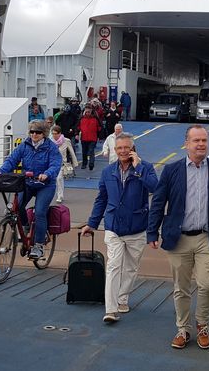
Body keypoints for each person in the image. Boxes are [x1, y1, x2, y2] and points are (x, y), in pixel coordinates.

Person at [148, 125, 209, 350]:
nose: (201, 144)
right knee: (181, 287)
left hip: (205, 238)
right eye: (196, 140)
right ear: (186, 144)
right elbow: (158, 202)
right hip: (178, 238)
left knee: (207, 284)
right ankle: (183, 328)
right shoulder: (171, 171)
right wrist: (152, 231)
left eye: (204, 140)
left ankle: (202, 324)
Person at [82, 132, 158, 323]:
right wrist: (92, 223)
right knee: (113, 266)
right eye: (119, 148)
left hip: (137, 226)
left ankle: (122, 298)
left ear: (133, 149)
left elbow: (155, 188)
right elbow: (101, 199)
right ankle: (110, 309)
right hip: (113, 225)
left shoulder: (146, 168)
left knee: (131, 267)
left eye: (126, 147)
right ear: (114, 150)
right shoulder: (108, 171)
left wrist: (138, 168)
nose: (123, 151)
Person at [0, 120, 62, 259]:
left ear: (44, 134)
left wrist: (47, 174)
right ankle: (25, 226)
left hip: (45, 184)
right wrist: (1, 171)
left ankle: (39, 245)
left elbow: (55, 164)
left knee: (40, 212)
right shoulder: (25, 145)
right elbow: (12, 160)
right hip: (28, 182)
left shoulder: (51, 147)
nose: (34, 134)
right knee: (16, 207)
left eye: (38, 132)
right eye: (32, 132)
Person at [50, 125, 78, 203]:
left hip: (62, 164)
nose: (54, 135)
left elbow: (72, 152)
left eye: (56, 134)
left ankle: (60, 196)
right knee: (53, 180)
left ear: (60, 133)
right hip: (52, 164)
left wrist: (75, 163)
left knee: (59, 178)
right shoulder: (50, 141)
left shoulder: (66, 141)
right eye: (53, 134)